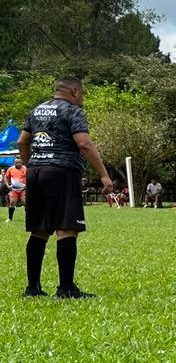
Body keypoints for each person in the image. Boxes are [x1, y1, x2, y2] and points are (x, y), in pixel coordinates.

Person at [17, 75, 113, 298]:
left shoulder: (37, 110)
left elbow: (22, 142)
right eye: (83, 94)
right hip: (62, 170)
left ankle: (32, 288)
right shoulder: (72, 111)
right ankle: (66, 288)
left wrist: (31, 164)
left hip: (35, 172)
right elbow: (84, 143)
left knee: (39, 230)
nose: (83, 98)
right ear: (74, 91)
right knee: (67, 228)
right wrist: (104, 175)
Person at [4, 157, 26, 222]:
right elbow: (6, 178)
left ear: (22, 163)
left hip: (24, 189)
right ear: (14, 163)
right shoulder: (10, 169)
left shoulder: (26, 169)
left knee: (25, 202)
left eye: (19, 162)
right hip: (14, 189)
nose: (18, 164)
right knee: (12, 203)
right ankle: (10, 218)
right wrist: (8, 185)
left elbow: (31, 177)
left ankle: (27, 219)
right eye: (16, 162)